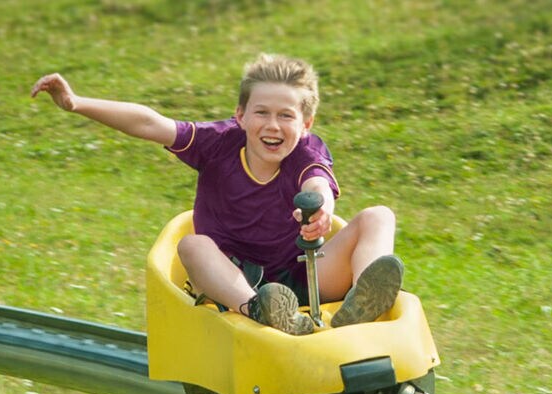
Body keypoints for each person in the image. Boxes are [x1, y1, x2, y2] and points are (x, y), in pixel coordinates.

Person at [31, 54, 403, 335]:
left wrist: (321, 209)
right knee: (192, 246)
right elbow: (150, 123)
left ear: (305, 125)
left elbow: (317, 183)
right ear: (240, 116)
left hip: (302, 275)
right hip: (237, 283)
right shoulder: (217, 143)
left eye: (286, 116)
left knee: (380, 216)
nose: (273, 126)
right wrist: (76, 103)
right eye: (261, 113)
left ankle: (364, 301)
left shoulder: (307, 152)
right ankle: (262, 312)